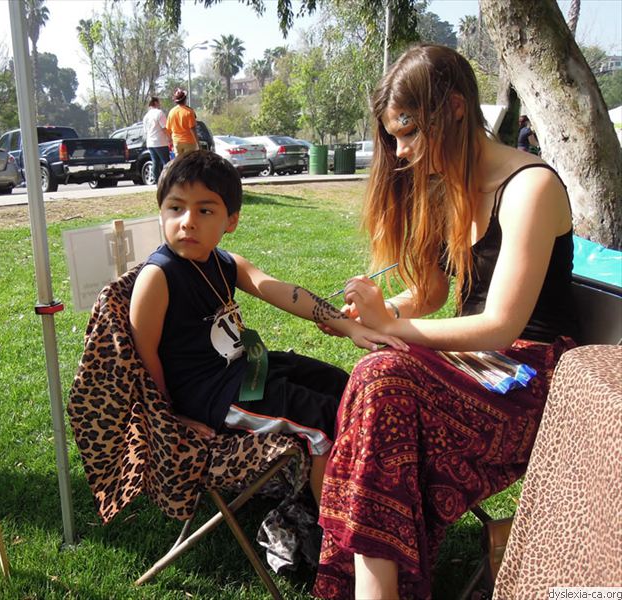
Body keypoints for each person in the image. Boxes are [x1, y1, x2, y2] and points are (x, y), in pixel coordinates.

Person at [313, 44, 576, 599]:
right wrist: (379, 312)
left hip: (530, 384)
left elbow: (501, 325)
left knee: (380, 379)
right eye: (394, 138)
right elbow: (432, 292)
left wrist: (390, 327)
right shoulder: (451, 186)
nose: (402, 151)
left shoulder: (531, 187)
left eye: (409, 132)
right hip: (474, 367)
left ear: (455, 107)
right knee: (379, 387)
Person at [129, 150, 408, 503]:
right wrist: (170, 417)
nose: (187, 221)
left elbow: (282, 291)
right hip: (212, 397)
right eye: (175, 208)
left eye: (205, 210)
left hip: (250, 370)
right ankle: (329, 524)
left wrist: (349, 327)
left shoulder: (225, 263)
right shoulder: (158, 276)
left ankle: (371, 486)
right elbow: (143, 357)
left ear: (231, 221)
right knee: (323, 423)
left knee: (344, 388)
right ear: (161, 212)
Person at [142, 96, 171, 183]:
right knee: (166, 162)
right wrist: (170, 138)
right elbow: (164, 128)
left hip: (150, 143)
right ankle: (167, 181)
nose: (160, 104)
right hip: (160, 142)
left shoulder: (146, 116)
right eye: (159, 102)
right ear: (155, 103)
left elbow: (145, 131)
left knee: (155, 162)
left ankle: (158, 182)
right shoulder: (159, 113)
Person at [165, 88, 200, 158]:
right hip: (189, 142)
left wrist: (171, 141)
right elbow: (193, 129)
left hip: (177, 142)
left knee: (179, 162)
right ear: (185, 99)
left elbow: (168, 129)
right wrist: (198, 144)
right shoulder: (189, 112)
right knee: (189, 162)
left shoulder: (171, 112)